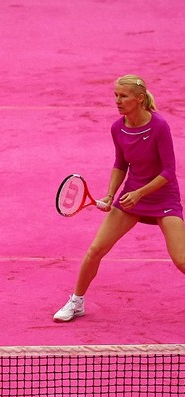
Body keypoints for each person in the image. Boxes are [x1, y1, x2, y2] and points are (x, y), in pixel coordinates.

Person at [54, 74, 185, 322]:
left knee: (182, 260)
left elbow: (168, 171)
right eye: (116, 95)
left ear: (140, 98)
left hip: (163, 198)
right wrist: (111, 193)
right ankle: (77, 302)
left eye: (123, 95)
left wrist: (138, 194)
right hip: (130, 198)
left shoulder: (159, 126)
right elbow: (121, 163)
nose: (117, 100)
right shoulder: (118, 127)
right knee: (95, 250)